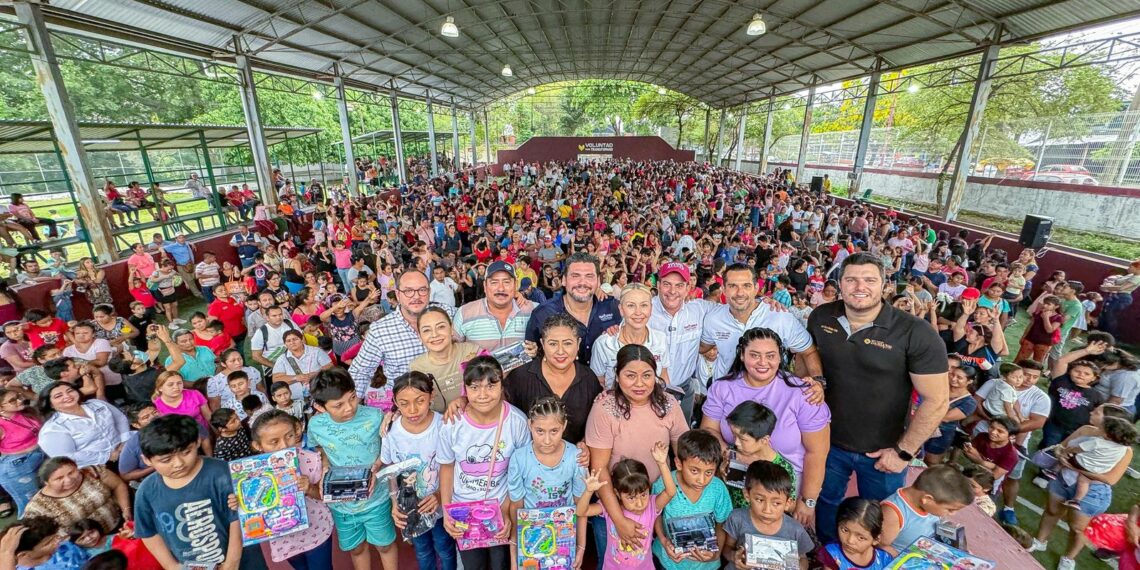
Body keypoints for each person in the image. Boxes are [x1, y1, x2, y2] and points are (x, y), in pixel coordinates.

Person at [808, 252, 949, 544]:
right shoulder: (821, 317)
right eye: (852, 279)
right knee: (826, 504)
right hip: (826, 443)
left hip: (883, 453)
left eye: (869, 280)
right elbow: (807, 357)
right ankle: (825, 555)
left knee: (876, 521)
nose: (860, 287)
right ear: (840, 283)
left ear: (885, 285)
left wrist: (903, 453)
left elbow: (937, 400)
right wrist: (816, 380)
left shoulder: (916, 333)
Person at [700, 327, 830, 528]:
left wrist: (808, 501)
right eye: (754, 355)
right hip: (735, 481)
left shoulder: (803, 393)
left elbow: (817, 452)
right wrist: (728, 455)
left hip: (784, 491)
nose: (763, 362)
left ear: (781, 357)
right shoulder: (723, 387)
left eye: (770, 356)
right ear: (742, 355)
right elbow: (709, 430)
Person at [584, 344, 688, 558]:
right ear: (618, 375)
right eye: (630, 375)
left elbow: (684, 454)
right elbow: (599, 467)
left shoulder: (668, 404)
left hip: (658, 503)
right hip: (616, 505)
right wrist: (619, 520)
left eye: (647, 375)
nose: (640, 384)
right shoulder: (605, 409)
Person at [133, 414, 267, 569]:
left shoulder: (222, 473)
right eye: (166, 460)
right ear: (147, 460)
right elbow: (148, 532)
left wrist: (232, 561)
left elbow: (239, 518)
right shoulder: (146, 491)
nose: (178, 464)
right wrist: (172, 566)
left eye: (186, 452)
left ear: (197, 443)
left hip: (244, 561)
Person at [438, 356, 530, 570]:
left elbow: (520, 473)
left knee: (501, 564)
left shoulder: (516, 422)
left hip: (500, 508)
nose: (483, 395)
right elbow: (447, 467)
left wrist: (507, 510)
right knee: (473, 566)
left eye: (491, 385)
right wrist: (447, 511)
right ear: (465, 389)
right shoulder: (453, 424)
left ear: (501, 385)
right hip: (464, 511)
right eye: (475, 387)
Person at [306, 368, 399, 570]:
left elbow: (389, 453)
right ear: (320, 407)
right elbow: (320, 448)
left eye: (353, 398)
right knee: (356, 549)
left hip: (376, 498)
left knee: (385, 546)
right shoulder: (315, 425)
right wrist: (324, 466)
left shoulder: (375, 416)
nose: (349, 408)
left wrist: (377, 468)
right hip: (341, 503)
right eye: (338, 405)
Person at [1030, 410, 1135, 570]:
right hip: (1062, 479)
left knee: (1078, 528)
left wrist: (1076, 468)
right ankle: (1040, 541)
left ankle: (1068, 558)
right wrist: (1060, 456)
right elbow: (1062, 447)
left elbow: (1110, 479)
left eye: (1099, 412)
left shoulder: (1125, 450)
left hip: (1092, 491)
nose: (1092, 411)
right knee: (1051, 511)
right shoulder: (1086, 430)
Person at [379, 372, 454, 570]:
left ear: (432, 396)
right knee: (422, 550)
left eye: (420, 401)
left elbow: (454, 467)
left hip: (439, 506)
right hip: (410, 508)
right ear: (395, 401)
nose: (412, 409)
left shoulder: (444, 426)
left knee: (445, 547)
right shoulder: (391, 432)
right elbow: (391, 472)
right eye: (404, 403)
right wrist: (395, 504)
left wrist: (439, 495)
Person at [700, 264, 822, 382]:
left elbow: (808, 351)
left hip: (770, 397)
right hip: (725, 393)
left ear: (756, 288)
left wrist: (817, 382)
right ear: (724, 290)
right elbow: (702, 347)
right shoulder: (714, 318)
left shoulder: (779, 316)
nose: (740, 293)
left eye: (746, 286)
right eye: (733, 286)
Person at [506, 397, 588, 566]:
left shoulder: (575, 457)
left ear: (564, 426)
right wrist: (514, 555)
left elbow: (581, 507)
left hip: (565, 536)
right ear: (529, 425)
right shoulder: (519, 459)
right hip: (530, 537)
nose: (547, 440)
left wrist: (581, 547)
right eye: (540, 431)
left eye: (554, 431)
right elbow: (516, 507)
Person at [248, 411, 335, 569]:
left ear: (296, 432)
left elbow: (325, 496)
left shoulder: (310, 459)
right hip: (284, 538)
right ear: (258, 445)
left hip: (316, 531)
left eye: (289, 436)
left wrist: (310, 488)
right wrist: (238, 502)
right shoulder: (252, 474)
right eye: (274, 442)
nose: (284, 445)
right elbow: (251, 506)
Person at [349, 270, 454, 396]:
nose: (416, 296)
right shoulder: (380, 330)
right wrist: (350, 407)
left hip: (451, 402)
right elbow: (360, 372)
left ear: (429, 292)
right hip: (407, 406)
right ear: (398, 295)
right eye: (408, 291)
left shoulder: (449, 314)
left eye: (422, 290)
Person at [503, 313, 602, 445]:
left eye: (567, 343)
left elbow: (594, 426)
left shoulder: (589, 379)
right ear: (542, 344)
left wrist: (584, 444)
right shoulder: (522, 375)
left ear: (578, 344)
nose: (560, 351)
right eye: (553, 344)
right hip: (527, 460)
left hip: (574, 460)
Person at [576, 445, 675, 570]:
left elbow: (670, 492)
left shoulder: (652, 505)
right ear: (617, 493)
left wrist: (662, 463)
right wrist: (589, 491)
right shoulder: (609, 508)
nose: (640, 503)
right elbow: (581, 511)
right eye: (631, 498)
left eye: (644, 494)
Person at [652, 430, 733, 570]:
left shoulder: (718, 489)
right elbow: (655, 514)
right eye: (694, 471)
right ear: (678, 463)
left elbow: (721, 525)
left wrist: (715, 554)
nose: (701, 480)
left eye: (709, 472)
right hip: (669, 563)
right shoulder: (663, 483)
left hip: (707, 566)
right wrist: (664, 541)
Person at [525, 252, 621, 363]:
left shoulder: (613, 307)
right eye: (575, 276)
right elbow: (531, 355)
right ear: (564, 280)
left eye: (589, 276)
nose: (582, 283)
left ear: (598, 281)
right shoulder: (542, 313)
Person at [721, 460, 815, 570]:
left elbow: (803, 558)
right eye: (760, 500)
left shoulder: (795, 529)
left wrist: (798, 567)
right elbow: (727, 548)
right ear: (747, 495)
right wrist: (735, 557)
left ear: (788, 503)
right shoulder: (737, 518)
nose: (767, 510)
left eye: (776, 503)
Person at [878, 465, 973, 555]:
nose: (953, 514)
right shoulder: (893, 513)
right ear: (927, 499)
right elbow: (881, 545)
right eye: (950, 509)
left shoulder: (928, 504)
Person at [24, 456, 130, 536]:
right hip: (85, 545)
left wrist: (126, 510)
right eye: (59, 478)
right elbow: (43, 537)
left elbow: (118, 485)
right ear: (47, 482)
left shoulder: (93, 473)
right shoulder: (37, 507)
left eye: (71, 472)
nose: (69, 479)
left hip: (121, 527)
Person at [591, 283, 671, 388]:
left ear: (651, 309)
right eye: (631, 305)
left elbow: (663, 376)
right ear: (621, 309)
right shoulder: (603, 343)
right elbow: (598, 382)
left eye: (644, 305)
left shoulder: (660, 339)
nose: (638, 312)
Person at [36, 381, 130, 468]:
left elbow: (120, 419)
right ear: (50, 404)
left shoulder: (97, 404)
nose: (67, 396)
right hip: (96, 465)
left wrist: (124, 442)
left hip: (125, 448)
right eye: (58, 396)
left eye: (70, 391)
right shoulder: (53, 429)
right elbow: (67, 456)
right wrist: (108, 456)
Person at [451, 260, 534, 352]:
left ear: (516, 285)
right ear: (485, 286)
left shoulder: (531, 310)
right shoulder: (465, 313)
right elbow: (452, 351)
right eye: (494, 282)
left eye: (506, 282)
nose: (501, 288)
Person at [408, 307, 478, 413]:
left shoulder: (472, 352)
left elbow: (492, 386)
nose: (435, 335)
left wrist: (466, 399)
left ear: (451, 329)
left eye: (441, 327)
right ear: (420, 336)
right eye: (426, 330)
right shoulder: (417, 367)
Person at [815, 497, 895, 570]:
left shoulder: (885, 560)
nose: (850, 540)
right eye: (845, 530)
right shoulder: (832, 554)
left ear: (876, 539)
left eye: (861, 537)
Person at [0, 388, 44, 515]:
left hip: (40, 457)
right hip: (18, 467)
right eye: (13, 400)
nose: (20, 400)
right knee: (32, 505)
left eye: (19, 396)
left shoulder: (27, 412)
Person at [271, 330, 333, 401]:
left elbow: (330, 366)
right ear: (285, 344)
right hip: (296, 400)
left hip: (320, 394)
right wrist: (296, 378)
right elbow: (276, 379)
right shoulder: (282, 359)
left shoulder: (316, 351)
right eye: (288, 341)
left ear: (301, 339)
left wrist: (314, 374)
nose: (292, 342)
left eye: (295, 339)